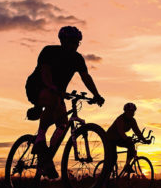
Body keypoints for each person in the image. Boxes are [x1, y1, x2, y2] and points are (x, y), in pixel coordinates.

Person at [25, 26, 104, 179]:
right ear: (63, 41)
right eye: (72, 42)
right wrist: (52, 86)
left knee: (63, 124)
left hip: (57, 93)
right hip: (36, 87)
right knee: (53, 99)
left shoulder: (77, 59)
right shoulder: (49, 51)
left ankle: (46, 158)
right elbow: (45, 72)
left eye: (77, 43)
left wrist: (96, 95)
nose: (74, 45)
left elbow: (85, 77)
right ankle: (40, 138)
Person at [106, 102, 150, 172]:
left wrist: (144, 140)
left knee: (131, 146)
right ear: (126, 111)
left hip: (119, 138)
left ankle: (127, 165)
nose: (132, 113)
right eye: (130, 111)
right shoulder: (120, 119)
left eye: (133, 111)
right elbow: (120, 131)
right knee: (113, 157)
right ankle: (106, 174)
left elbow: (137, 131)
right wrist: (126, 138)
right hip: (110, 138)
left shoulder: (132, 120)